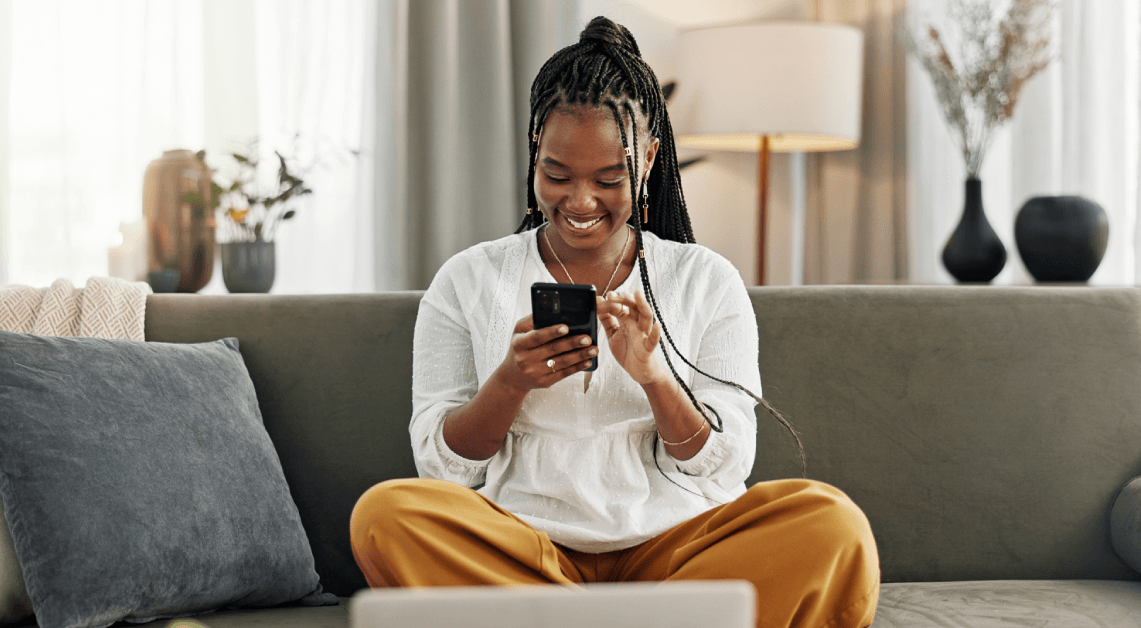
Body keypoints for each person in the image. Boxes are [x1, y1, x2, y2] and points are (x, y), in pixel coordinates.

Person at [350, 16, 880, 628]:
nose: (579, 202)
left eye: (609, 179)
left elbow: (727, 466)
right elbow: (443, 470)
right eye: (556, 175)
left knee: (832, 527)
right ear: (533, 157)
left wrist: (656, 379)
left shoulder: (705, 280)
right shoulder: (467, 281)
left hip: (676, 552)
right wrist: (510, 382)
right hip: (523, 547)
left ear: (649, 160)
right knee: (386, 516)